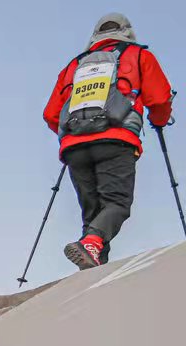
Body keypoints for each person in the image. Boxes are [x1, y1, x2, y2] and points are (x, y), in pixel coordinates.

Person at [43, 13, 174, 269]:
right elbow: (159, 99)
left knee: (92, 213)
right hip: (116, 140)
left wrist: (78, 132)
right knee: (117, 204)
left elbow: (51, 114)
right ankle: (91, 248)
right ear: (127, 32)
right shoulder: (138, 55)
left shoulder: (74, 66)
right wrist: (158, 121)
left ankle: (93, 266)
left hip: (74, 146)